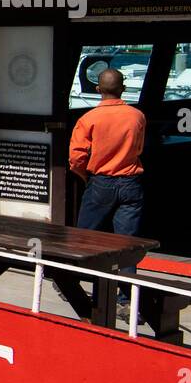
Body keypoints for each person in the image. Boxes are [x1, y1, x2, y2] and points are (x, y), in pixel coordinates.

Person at [69, 67, 146, 313]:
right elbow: (139, 149)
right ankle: (127, 298)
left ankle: (74, 284)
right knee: (128, 244)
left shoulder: (88, 119)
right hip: (131, 183)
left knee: (85, 238)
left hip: (100, 182)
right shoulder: (137, 116)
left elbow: (76, 158)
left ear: (98, 89)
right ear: (123, 88)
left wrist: (86, 178)